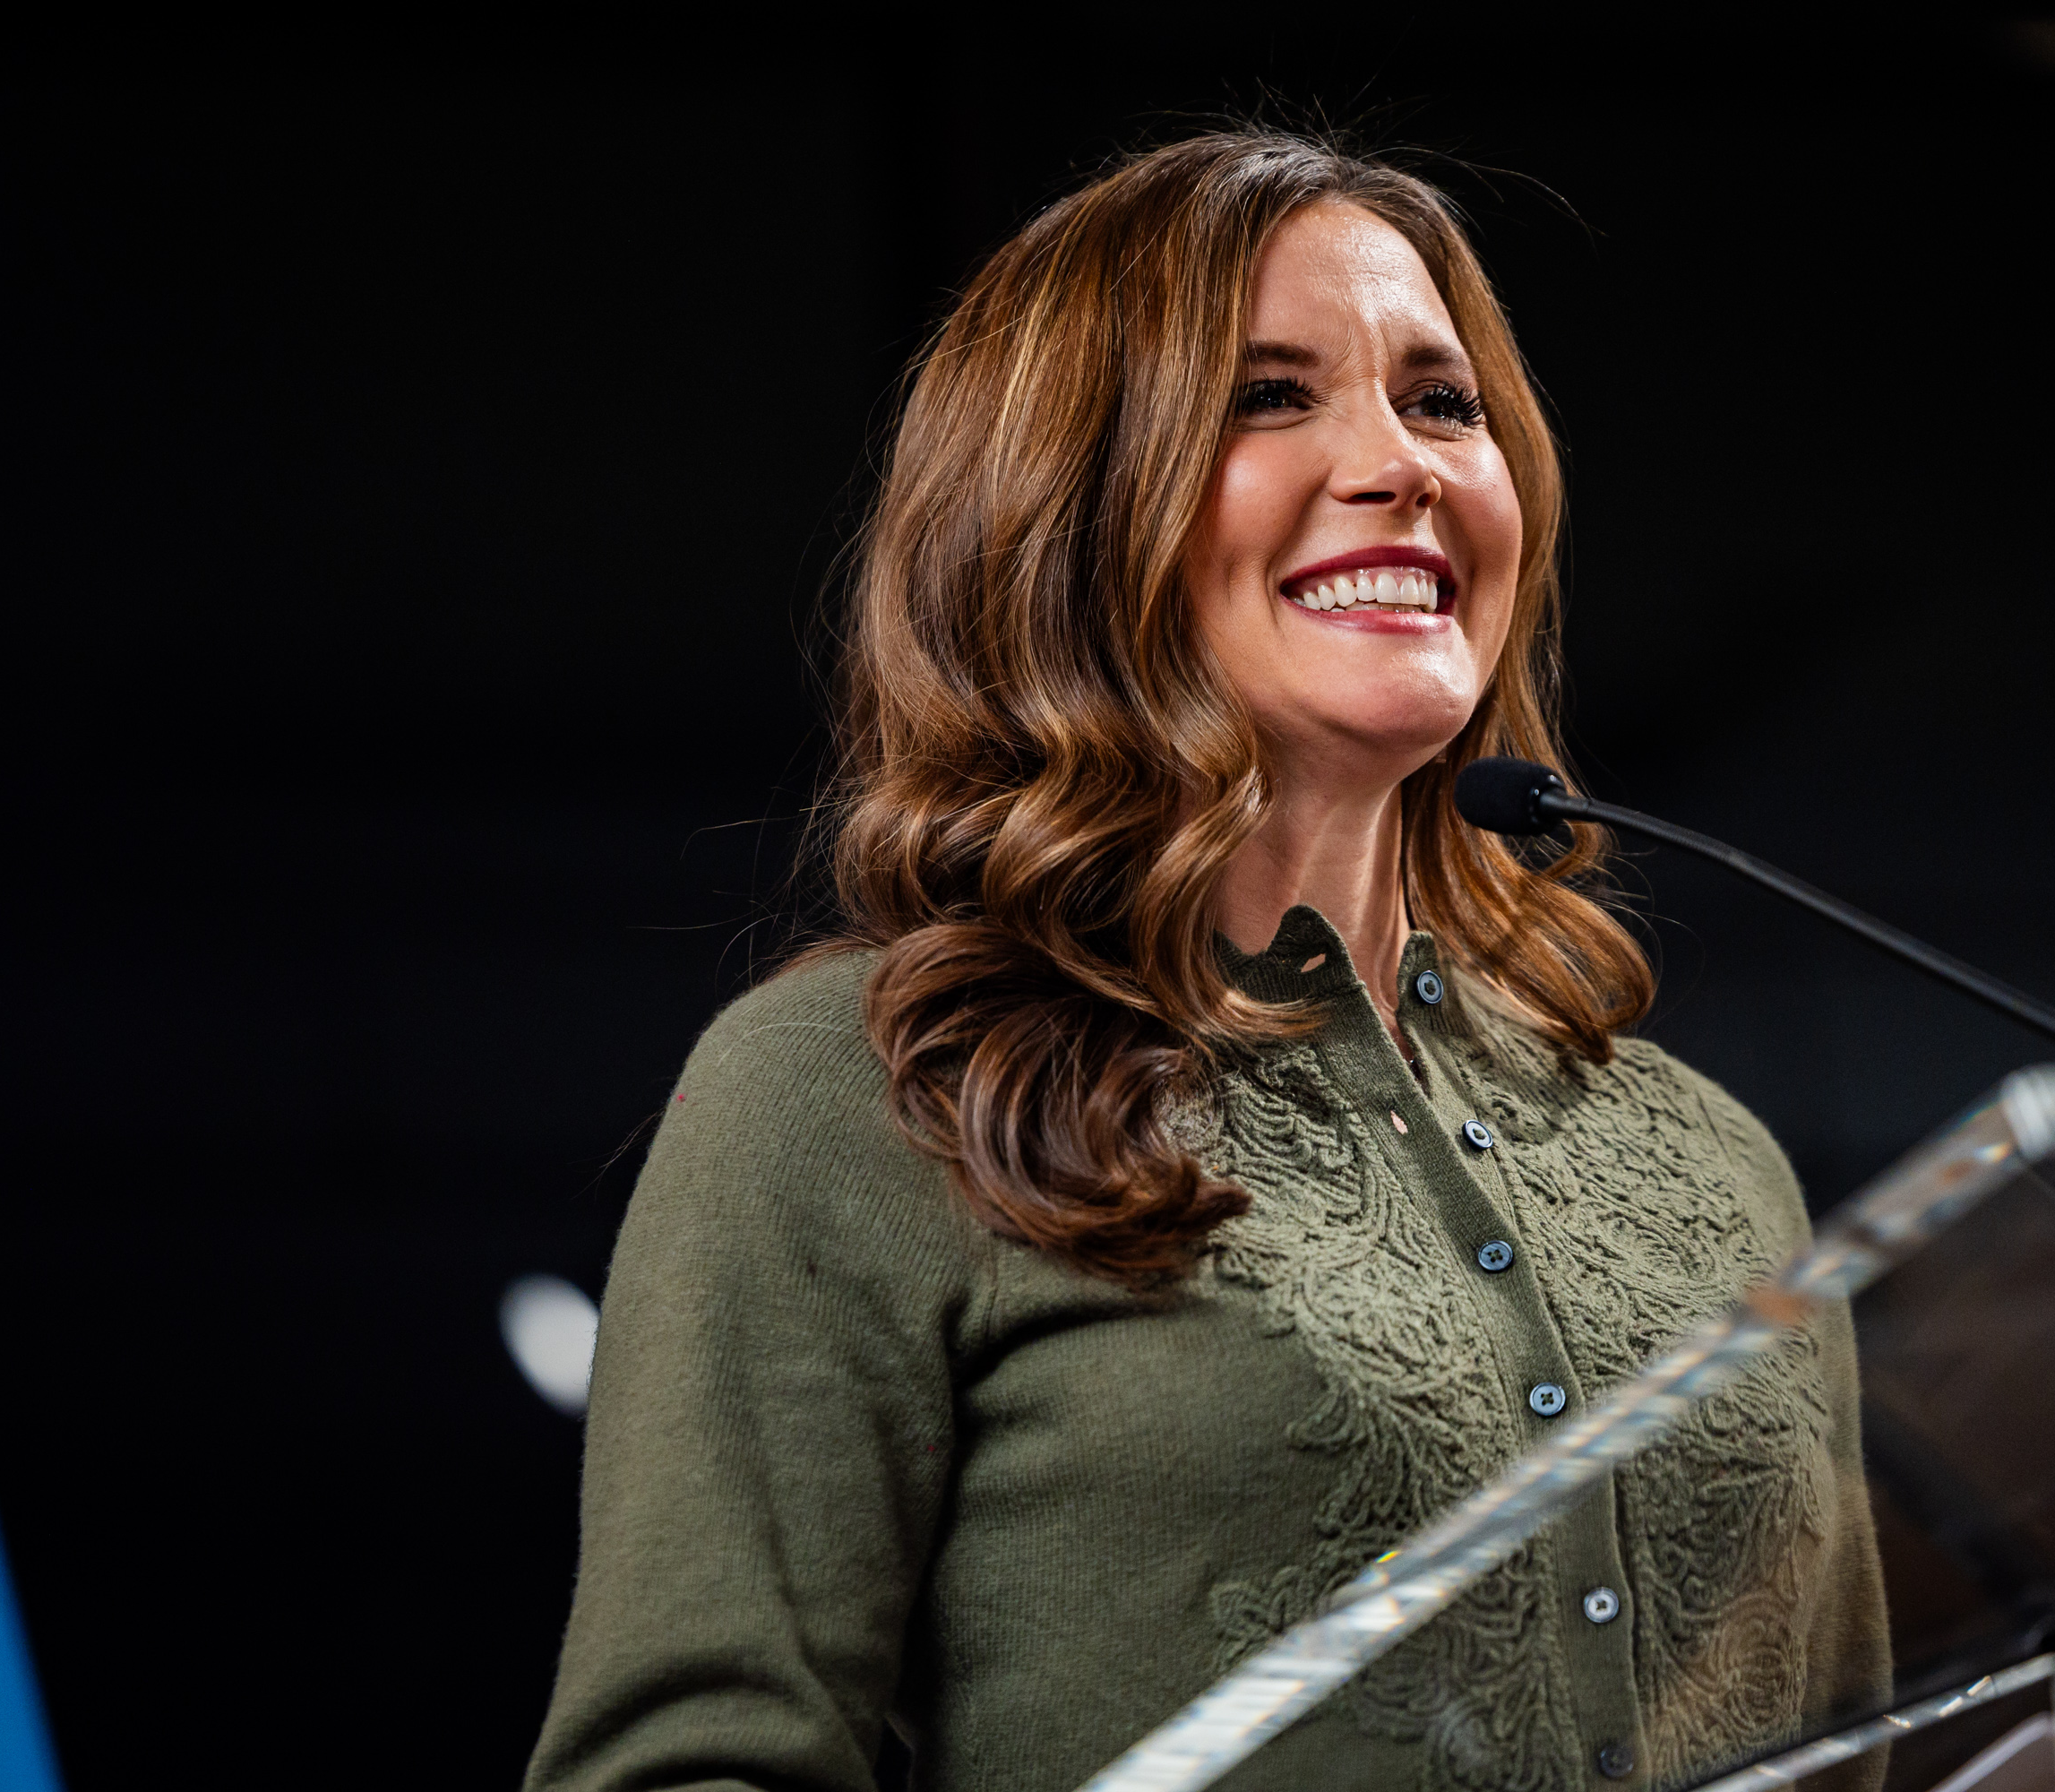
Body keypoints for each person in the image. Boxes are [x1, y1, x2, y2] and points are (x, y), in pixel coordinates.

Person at [523, 130, 1888, 1792]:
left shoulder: (1713, 1162)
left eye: (1442, 401)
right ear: (1065, 517)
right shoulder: (856, 1092)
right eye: (1266, 396)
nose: (1399, 464)